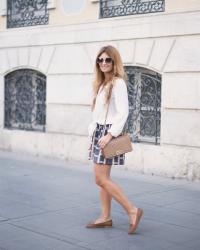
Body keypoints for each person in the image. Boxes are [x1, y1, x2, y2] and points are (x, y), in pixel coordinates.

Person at [87, 45, 143, 234]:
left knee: (100, 178)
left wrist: (109, 135)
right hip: (99, 133)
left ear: (114, 62)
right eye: (100, 60)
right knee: (103, 179)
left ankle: (132, 210)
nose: (103, 63)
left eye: (107, 60)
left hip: (107, 134)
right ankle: (105, 217)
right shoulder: (101, 83)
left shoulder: (118, 83)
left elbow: (123, 112)